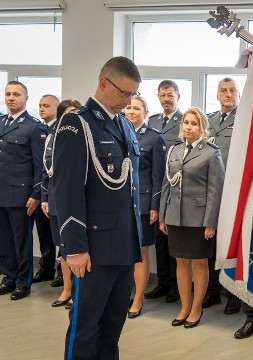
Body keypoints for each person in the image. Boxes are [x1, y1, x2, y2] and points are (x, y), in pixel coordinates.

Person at [51, 56, 143, 359]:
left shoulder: (125, 125)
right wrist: (74, 247)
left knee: (113, 326)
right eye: (123, 93)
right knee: (85, 326)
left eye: (133, 95)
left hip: (124, 244)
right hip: (93, 247)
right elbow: (66, 188)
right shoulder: (76, 123)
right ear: (104, 83)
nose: (128, 101)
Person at [159, 107, 224, 329]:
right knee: (181, 262)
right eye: (186, 122)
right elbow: (167, 183)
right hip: (175, 216)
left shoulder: (211, 152)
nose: (188, 127)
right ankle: (185, 307)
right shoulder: (174, 150)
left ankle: (197, 309)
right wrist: (163, 216)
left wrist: (211, 223)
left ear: (202, 128)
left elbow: (216, 191)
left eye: (194, 123)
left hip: (199, 219)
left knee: (199, 263)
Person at [0, 81, 47, 300]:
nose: (11, 98)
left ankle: (22, 282)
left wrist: (36, 194)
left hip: (20, 195)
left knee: (22, 240)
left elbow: (40, 165)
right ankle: (8, 278)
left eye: (16, 94)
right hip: (1, 192)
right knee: (5, 240)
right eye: (8, 94)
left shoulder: (34, 126)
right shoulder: (1, 123)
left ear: (26, 98)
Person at [125, 95, 166, 319]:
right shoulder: (118, 131)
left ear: (146, 112)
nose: (131, 112)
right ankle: (124, 294)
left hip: (143, 203)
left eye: (136, 108)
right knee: (122, 250)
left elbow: (158, 175)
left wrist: (155, 205)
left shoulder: (153, 138)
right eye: (128, 108)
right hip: (120, 202)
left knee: (140, 251)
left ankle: (138, 298)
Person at [204, 77, 242, 313]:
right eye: (223, 91)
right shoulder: (208, 120)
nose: (228, 95)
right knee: (208, 243)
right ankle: (212, 292)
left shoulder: (243, 120)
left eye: (232, 91)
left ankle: (233, 296)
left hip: (231, 191)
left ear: (238, 95)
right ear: (217, 95)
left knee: (229, 244)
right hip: (208, 191)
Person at [41, 99, 82, 309]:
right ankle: (67, 289)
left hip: (73, 201)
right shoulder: (51, 137)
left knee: (76, 248)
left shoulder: (81, 136)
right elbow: (45, 171)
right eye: (67, 113)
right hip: (55, 200)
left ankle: (77, 291)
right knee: (63, 248)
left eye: (75, 112)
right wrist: (44, 198)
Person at [146, 80, 182, 303]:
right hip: (155, 187)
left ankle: (176, 287)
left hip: (176, 188)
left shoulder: (185, 121)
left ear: (178, 96)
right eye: (162, 95)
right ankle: (162, 282)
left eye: (170, 95)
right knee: (159, 240)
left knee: (174, 240)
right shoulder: (152, 121)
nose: (166, 98)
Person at [31, 94, 60, 284]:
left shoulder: (60, 129)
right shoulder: (39, 129)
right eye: (40, 105)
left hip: (56, 191)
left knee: (59, 235)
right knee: (44, 233)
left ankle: (60, 271)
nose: (42, 109)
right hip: (43, 189)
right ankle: (46, 268)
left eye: (46, 106)